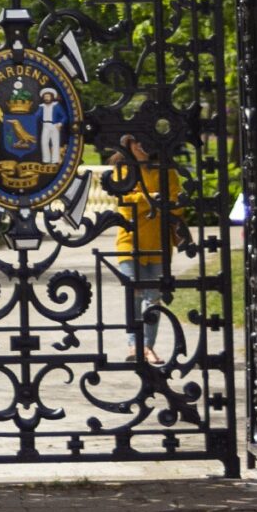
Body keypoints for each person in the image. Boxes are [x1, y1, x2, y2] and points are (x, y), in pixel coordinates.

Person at [108, 133, 180, 368]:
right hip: (130, 243)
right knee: (135, 295)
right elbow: (125, 208)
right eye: (135, 141)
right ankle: (134, 345)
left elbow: (174, 203)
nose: (141, 144)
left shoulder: (166, 171)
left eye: (143, 140)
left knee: (154, 299)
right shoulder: (121, 172)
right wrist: (152, 200)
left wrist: (145, 200)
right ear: (126, 144)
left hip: (159, 243)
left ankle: (147, 346)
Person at [38, 88, 67, 166]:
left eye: (48, 96)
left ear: (52, 97)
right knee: (44, 142)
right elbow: (37, 116)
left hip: (54, 125)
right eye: (45, 97)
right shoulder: (41, 106)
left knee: (55, 143)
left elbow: (64, 116)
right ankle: (46, 160)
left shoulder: (56, 106)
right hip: (45, 125)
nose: (46, 98)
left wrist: (60, 123)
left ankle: (55, 160)